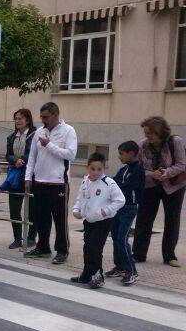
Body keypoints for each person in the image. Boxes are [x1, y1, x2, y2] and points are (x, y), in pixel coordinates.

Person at [24, 102, 78, 264]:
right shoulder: (39, 132)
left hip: (58, 183)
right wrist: (28, 177)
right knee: (41, 218)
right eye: (41, 117)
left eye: (46, 117)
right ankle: (43, 247)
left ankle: (62, 250)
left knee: (60, 219)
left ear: (55, 115)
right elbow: (32, 157)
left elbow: (70, 154)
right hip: (40, 181)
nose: (43, 120)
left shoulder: (68, 131)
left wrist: (49, 145)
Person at [132, 116, 186, 267]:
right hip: (151, 185)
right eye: (145, 133)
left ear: (160, 132)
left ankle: (169, 256)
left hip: (174, 185)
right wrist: (152, 174)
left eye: (150, 133)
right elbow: (138, 168)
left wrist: (166, 173)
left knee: (172, 219)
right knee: (144, 218)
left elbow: (182, 164)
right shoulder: (142, 145)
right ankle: (138, 254)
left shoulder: (176, 142)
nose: (147, 136)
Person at [71, 153, 125, 288]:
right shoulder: (85, 181)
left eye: (99, 169)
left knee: (95, 249)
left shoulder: (108, 183)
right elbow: (80, 198)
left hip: (103, 221)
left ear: (103, 168)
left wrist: (104, 211)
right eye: (93, 169)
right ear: (87, 167)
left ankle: (98, 276)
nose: (96, 172)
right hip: (89, 220)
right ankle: (87, 274)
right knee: (87, 248)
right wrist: (77, 210)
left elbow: (120, 200)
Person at [106, 141, 145, 285]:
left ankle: (132, 271)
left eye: (121, 154)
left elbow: (125, 187)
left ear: (131, 154)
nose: (119, 156)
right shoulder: (124, 169)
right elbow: (113, 182)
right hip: (118, 208)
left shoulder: (138, 170)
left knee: (122, 239)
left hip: (129, 208)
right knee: (116, 237)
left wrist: (113, 189)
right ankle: (120, 266)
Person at [4, 108, 37, 249]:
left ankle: (31, 238)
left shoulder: (34, 135)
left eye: (20, 118)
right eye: (16, 118)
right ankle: (18, 238)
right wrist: (14, 160)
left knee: (32, 209)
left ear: (27, 120)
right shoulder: (12, 137)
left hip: (31, 175)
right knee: (14, 209)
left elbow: (33, 153)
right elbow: (8, 155)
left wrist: (21, 160)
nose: (17, 121)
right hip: (15, 176)